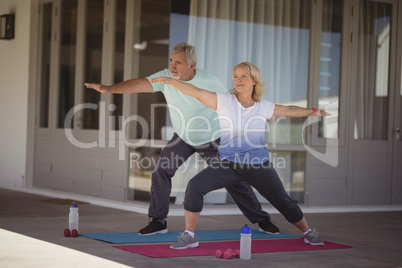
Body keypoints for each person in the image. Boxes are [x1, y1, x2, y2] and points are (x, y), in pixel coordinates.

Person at [85, 43, 279, 236]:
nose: (172, 66)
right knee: (161, 170)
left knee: (233, 180)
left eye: (178, 62)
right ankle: (158, 220)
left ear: (191, 65)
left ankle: (261, 219)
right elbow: (139, 84)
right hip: (183, 137)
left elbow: (233, 100)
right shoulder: (165, 77)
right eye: (171, 61)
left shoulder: (208, 80)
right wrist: (108, 89)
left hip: (213, 138)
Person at [150, 61, 329, 249]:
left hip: (258, 166)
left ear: (254, 81)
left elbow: (289, 110)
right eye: (236, 76)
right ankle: (189, 235)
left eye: (244, 76)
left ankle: (308, 232)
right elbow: (196, 92)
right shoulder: (225, 101)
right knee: (194, 186)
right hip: (228, 165)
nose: (239, 80)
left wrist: (313, 111)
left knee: (283, 201)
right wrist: (171, 82)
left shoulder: (263, 107)